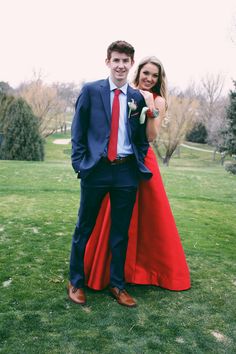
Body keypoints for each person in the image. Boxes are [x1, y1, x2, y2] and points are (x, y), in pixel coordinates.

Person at [83, 56, 191, 293]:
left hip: (143, 161)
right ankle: (104, 267)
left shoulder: (158, 100)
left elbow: (151, 136)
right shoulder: (126, 92)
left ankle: (144, 269)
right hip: (120, 162)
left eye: (155, 75)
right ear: (138, 72)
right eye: (146, 73)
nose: (150, 79)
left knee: (150, 216)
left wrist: (150, 108)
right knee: (114, 216)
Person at [68, 41, 153, 308]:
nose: (120, 65)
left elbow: (141, 137)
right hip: (97, 169)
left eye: (125, 61)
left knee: (120, 232)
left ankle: (117, 285)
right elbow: (78, 131)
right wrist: (80, 164)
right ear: (108, 62)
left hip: (126, 172)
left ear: (131, 64)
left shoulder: (136, 98)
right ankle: (76, 282)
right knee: (85, 228)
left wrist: (138, 159)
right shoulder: (91, 91)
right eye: (116, 60)